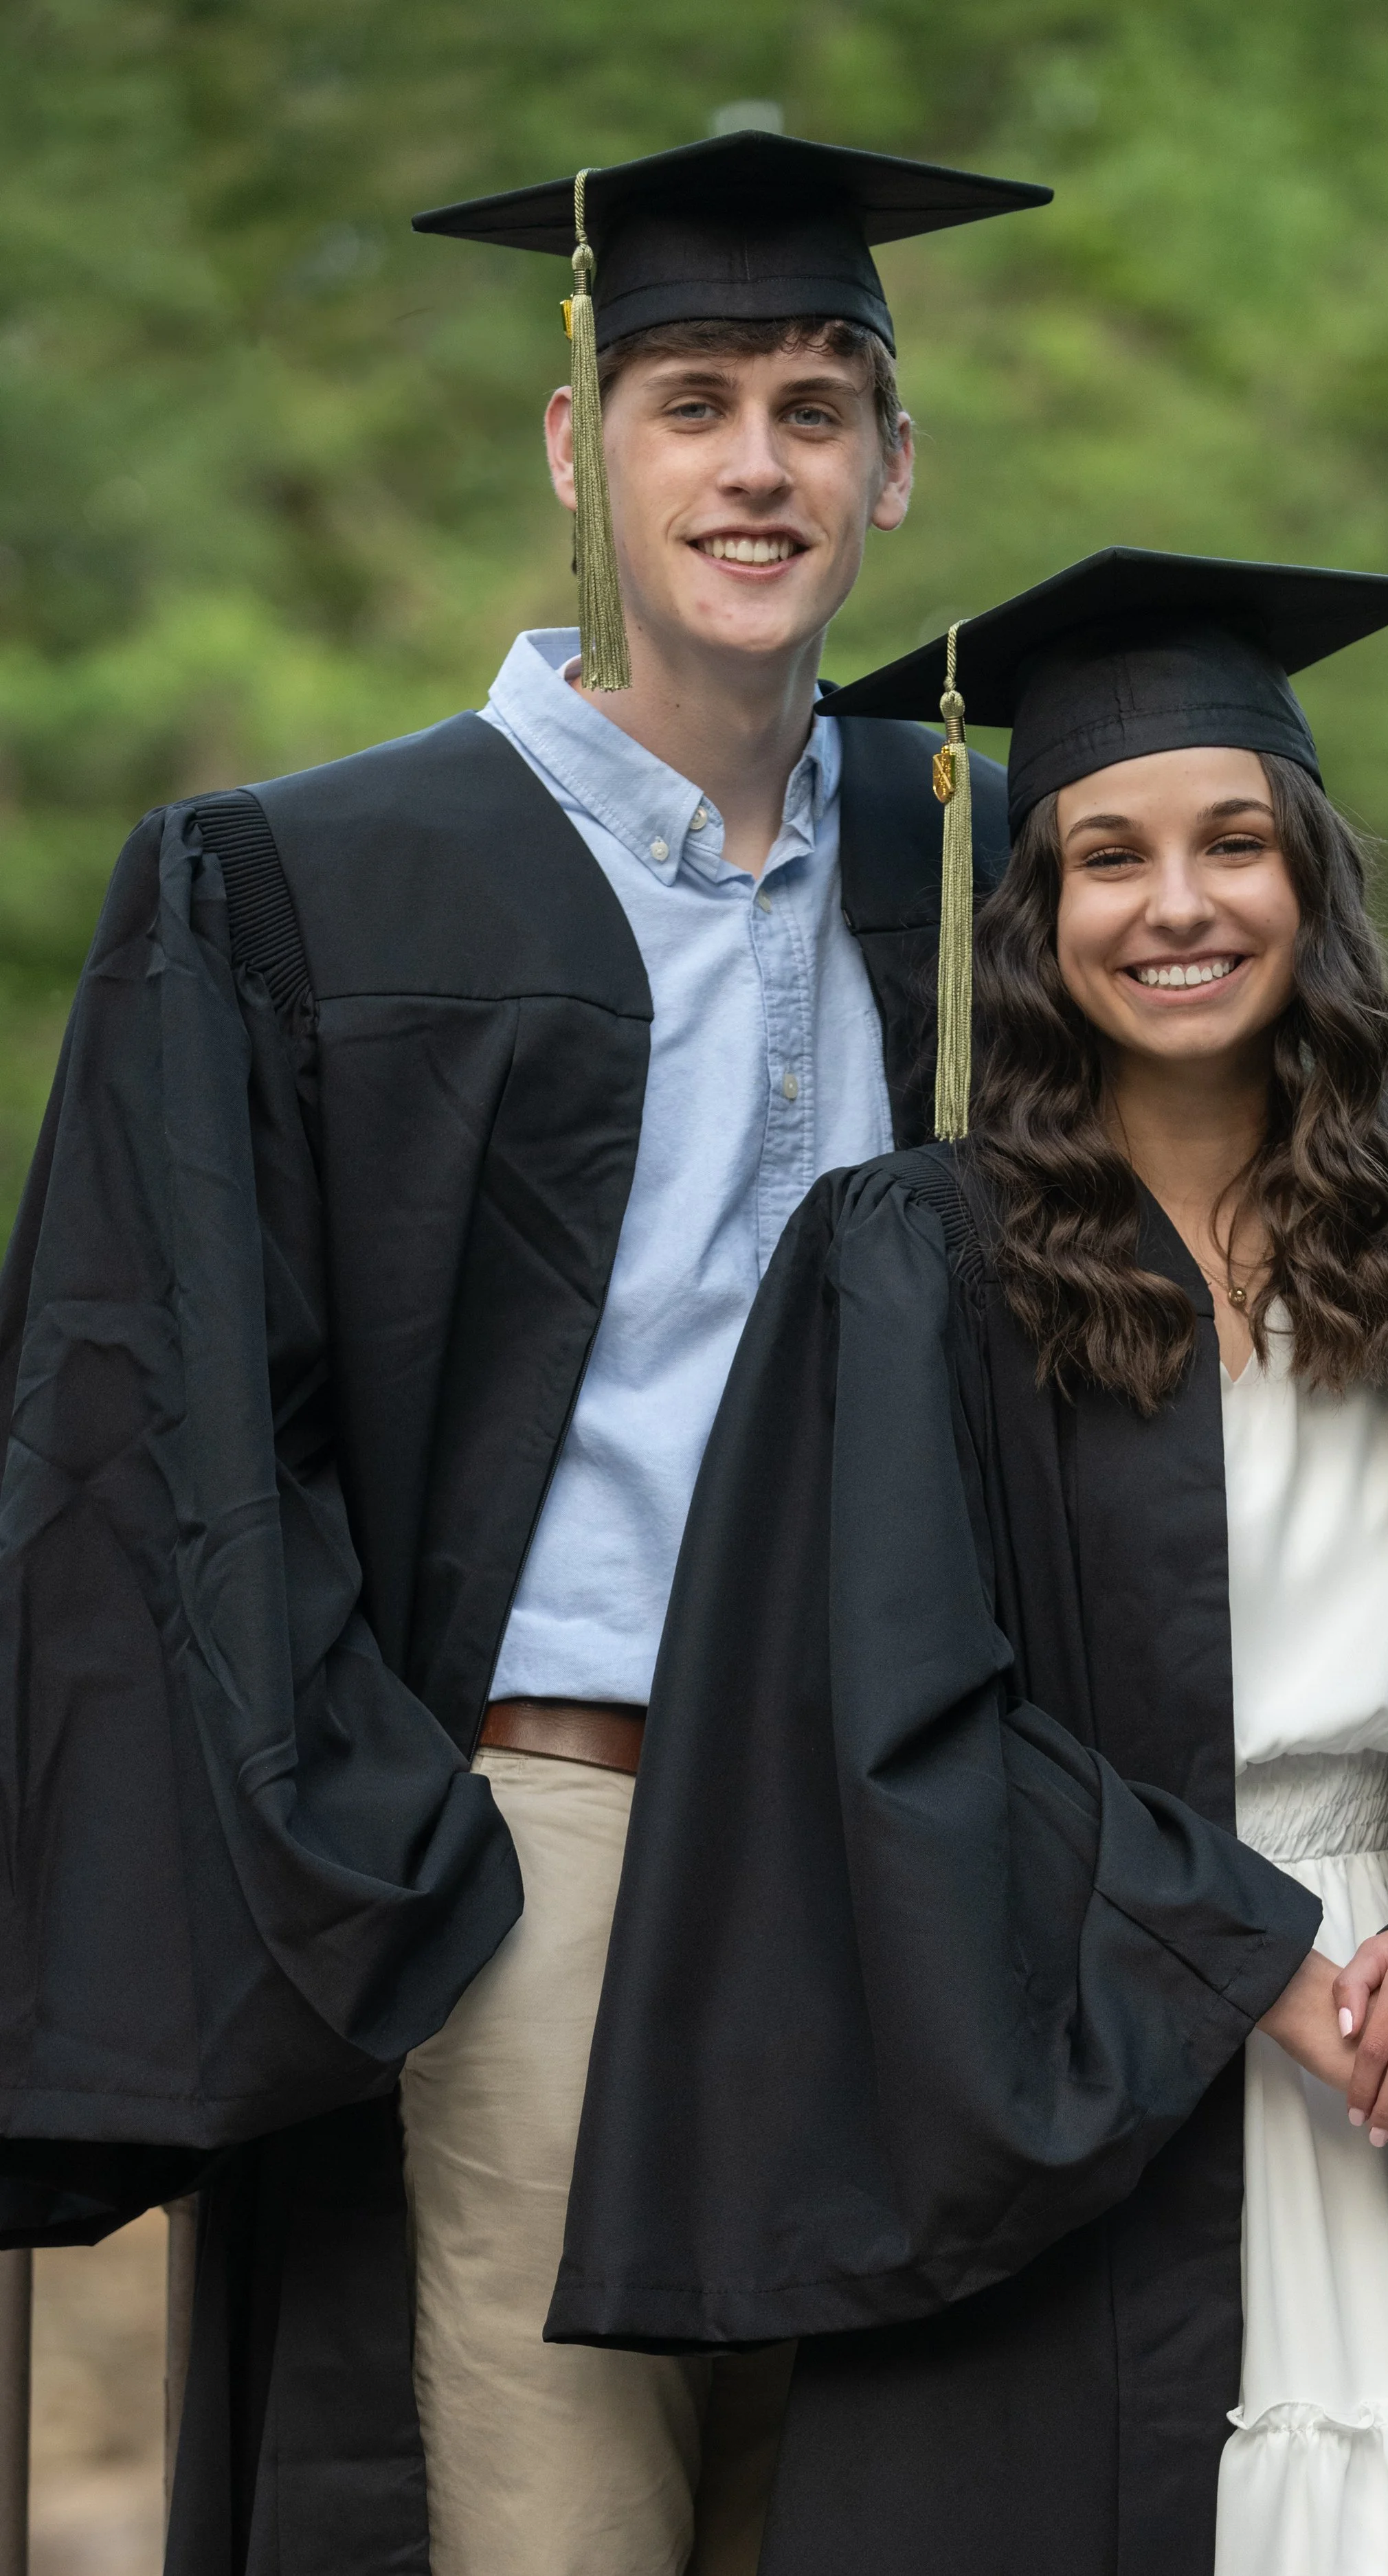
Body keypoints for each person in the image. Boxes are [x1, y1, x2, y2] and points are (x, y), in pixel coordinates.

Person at [0, 131, 1050, 2576]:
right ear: (583, 447)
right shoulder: (315, 882)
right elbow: (168, 1435)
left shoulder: (997, 862)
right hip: (542, 1841)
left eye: (818, 402)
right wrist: (394, 1847)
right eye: (694, 400)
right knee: (537, 2535)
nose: (758, 463)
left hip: (915, 1870)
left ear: (896, 463)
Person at [547, 548, 1388, 2576]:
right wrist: (1248, 1960)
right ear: (1037, 913)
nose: (1175, 905)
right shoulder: (908, 1267)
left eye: (1230, 843)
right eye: (1105, 857)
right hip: (1061, 2043)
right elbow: (888, 1706)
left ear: (1311, 881)